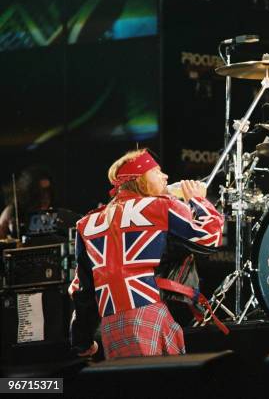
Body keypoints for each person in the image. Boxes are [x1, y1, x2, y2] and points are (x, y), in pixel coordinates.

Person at [69, 149, 223, 359]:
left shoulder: (86, 223)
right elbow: (210, 238)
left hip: (110, 324)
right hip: (147, 315)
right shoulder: (160, 205)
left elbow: (83, 291)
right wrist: (199, 201)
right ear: (139, 179)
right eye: (157, 172)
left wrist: (82, 342)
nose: (166, 176)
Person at [0, 166, 54, 239]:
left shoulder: (51, 211)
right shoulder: (12, 211)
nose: (45, 196)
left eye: (47, 190)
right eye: (40, 192)